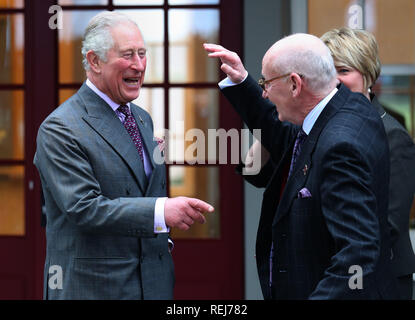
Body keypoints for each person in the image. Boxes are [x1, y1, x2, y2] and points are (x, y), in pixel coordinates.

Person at [34, 11, 214, 300]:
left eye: (143, 53)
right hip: (94, 288)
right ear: (94, 60)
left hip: (152, 285)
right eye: (128, 54)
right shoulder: (60, 128)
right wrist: (161, 211)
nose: (139, 65)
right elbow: (84, 208)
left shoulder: (142, 119)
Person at [204, 33, 399, 299]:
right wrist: (241, 81)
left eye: (266, 83)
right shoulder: (344, 107)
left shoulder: (339, 145)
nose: (263, 92)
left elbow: (358, 254)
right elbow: (279, 129)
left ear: (295, 85)